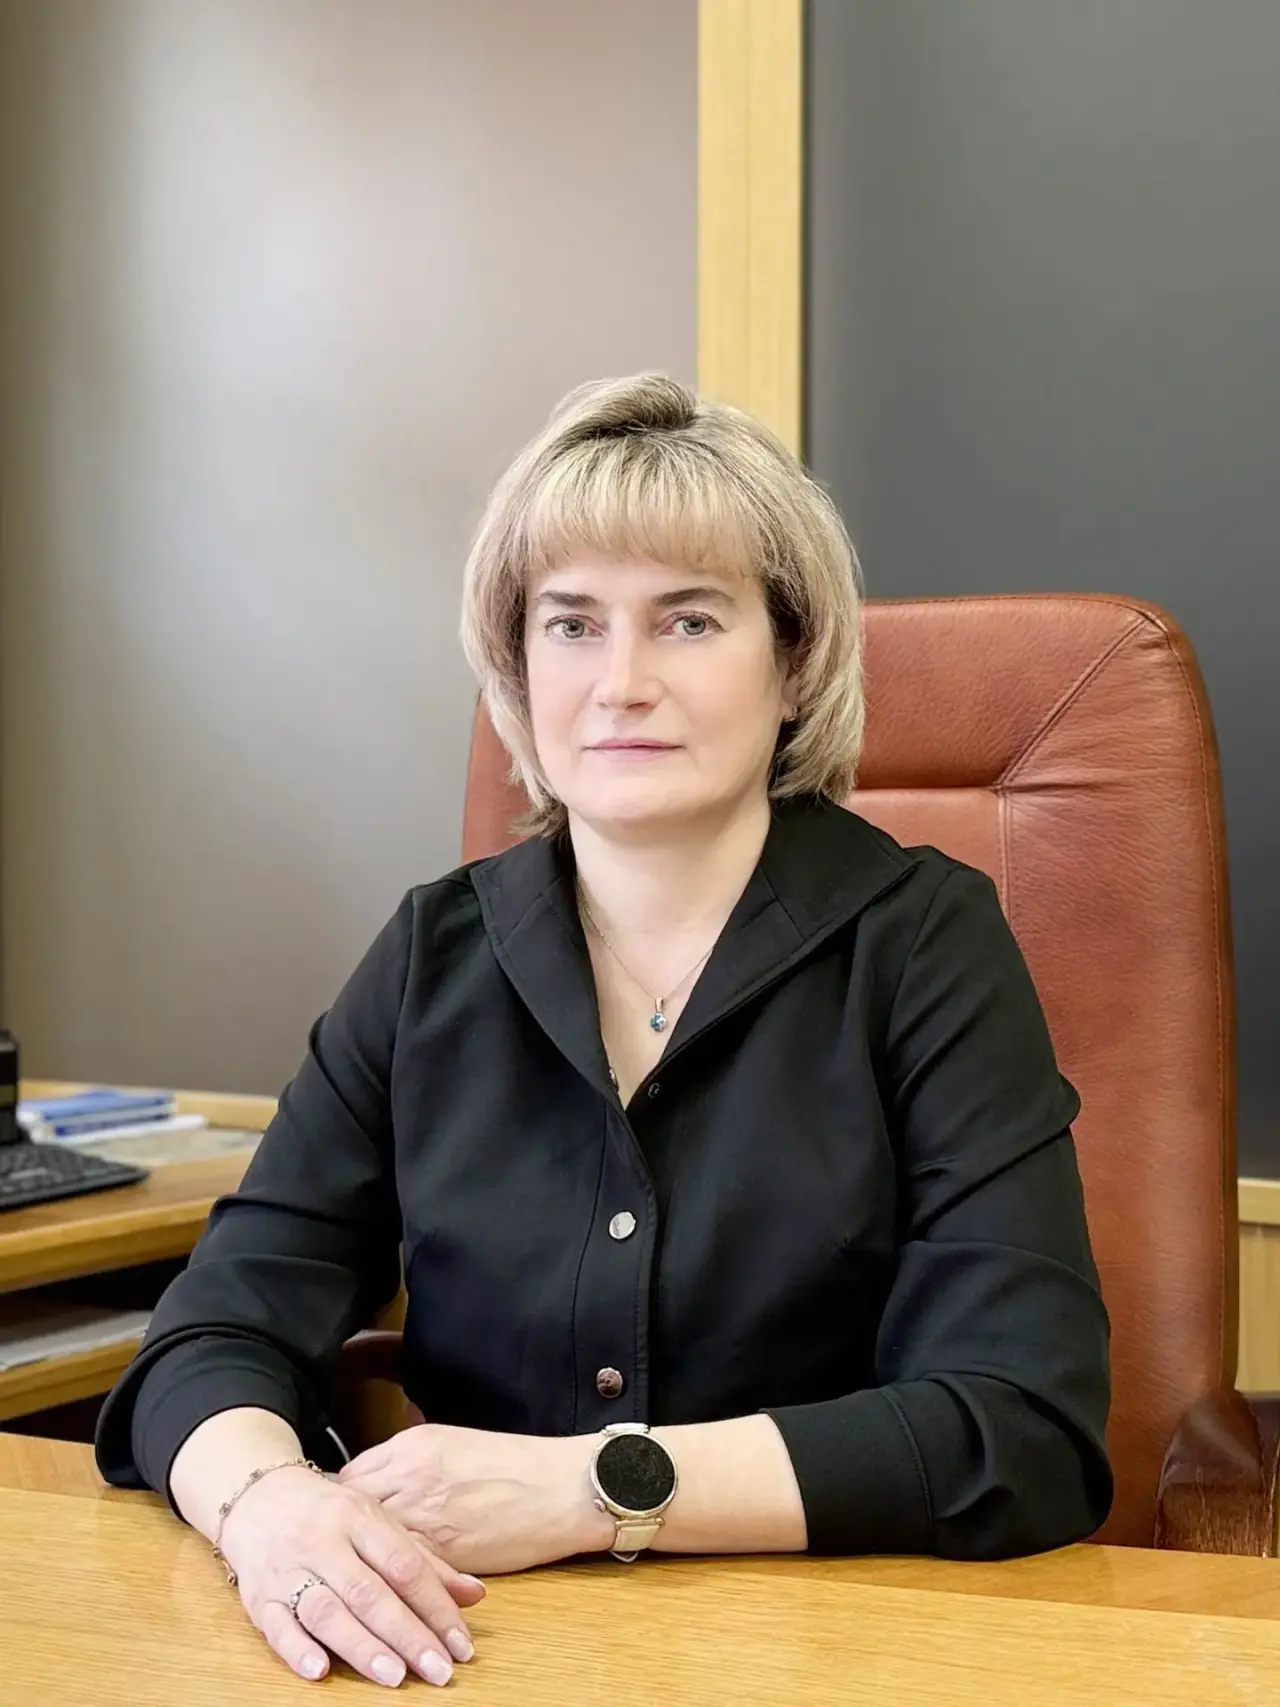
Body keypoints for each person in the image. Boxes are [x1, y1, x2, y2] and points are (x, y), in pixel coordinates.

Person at [96, 373, 1112, 1689]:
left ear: (794, 662)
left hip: (837, 1650)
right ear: (519, 670)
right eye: (571, 625)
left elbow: (1022, 1428)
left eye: (688, 621)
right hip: (471, 1647)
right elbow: (211, 1333)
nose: (621, 683)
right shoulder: (433, 955)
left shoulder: (924, 944)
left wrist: (594, 1489)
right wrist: (266, 1506)